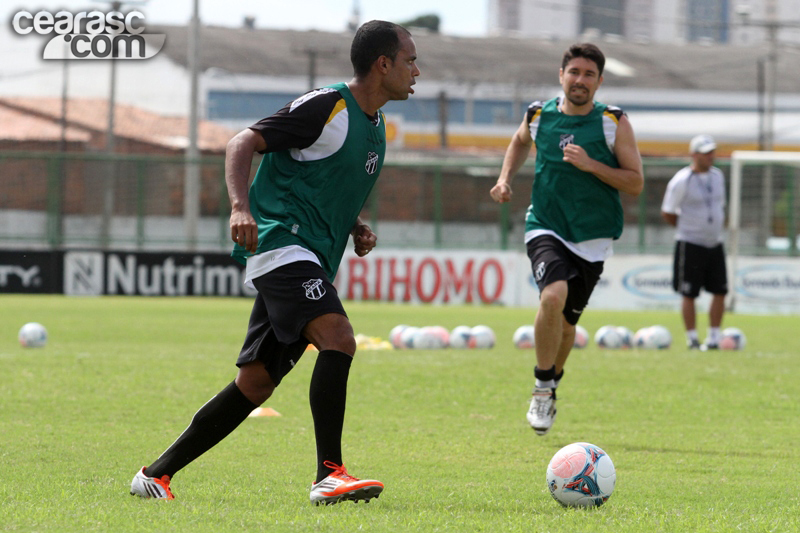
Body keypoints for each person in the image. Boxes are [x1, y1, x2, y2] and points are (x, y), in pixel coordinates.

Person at [130, 20, 420, 505]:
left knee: (256, 383)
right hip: (283, 245)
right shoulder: (328, 106)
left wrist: (355, 225)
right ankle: (330, 474)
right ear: (383, 64)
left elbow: (320, 180)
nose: (417, 71)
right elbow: (242, 142)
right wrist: (240, 208)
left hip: (309, 254)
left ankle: (154, 476)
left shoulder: (374, 126)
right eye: (410, 60)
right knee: (338, 338)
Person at [489, 43, 643, 436]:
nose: (580, 80)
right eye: (574, 71)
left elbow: (636, 182)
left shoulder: (613, 122)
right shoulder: (539, 114)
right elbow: (520, 141)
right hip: (545, 224)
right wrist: (505, 178)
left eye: (589, 74)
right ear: (561, 75)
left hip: (592, 238)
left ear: (599, 81)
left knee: (569, 326)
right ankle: (542, 388)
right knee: (551, 296)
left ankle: (552, 384)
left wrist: (591, 164)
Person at [661, 134, 727, 350]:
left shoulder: (718, 176)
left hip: (715, 242)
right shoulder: (682, 180)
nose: (710, 157)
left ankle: (714, 338)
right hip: (690, 243)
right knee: (689, 292)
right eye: (706, 152)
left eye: (712, 152)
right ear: (694, 155)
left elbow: (720, 206)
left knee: (720, 290)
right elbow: (668, 211)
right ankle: (692, 338)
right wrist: (689, 227)